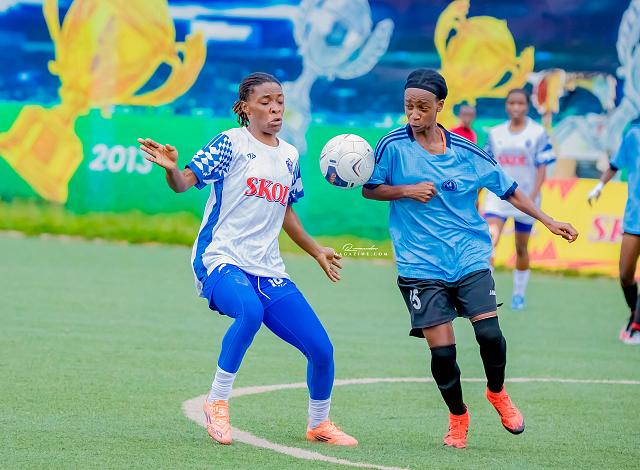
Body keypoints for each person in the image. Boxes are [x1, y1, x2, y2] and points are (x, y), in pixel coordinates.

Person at [138, 72, 357, 446]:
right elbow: (184, 183)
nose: (275, 108)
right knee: (250, 312)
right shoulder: (230, 143)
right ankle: (217, 401)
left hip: (267, 268)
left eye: (279, 101)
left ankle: (319, 424)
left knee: (322, 350)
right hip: (220, 258)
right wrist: (172, 169)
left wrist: (316, 250)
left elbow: (287, 213)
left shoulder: (290, 156)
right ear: (245, 107)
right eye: (265, 102)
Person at [362, 69, 578, 449]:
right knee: (444, 353)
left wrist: (548, 220)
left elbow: (510, 190)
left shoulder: (467, 153)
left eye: (422, 107)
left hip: (469, 256)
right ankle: (458, 416)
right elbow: (371, 189)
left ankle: (497, 392)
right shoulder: (392, 146)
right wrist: (407, 190)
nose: (414, 114)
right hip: (419, 264)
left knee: (489, 335)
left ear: (440, 107)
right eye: (409, 106)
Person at [483, 89, 556, 310]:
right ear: (506, 105)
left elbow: (542, 167)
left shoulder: (538, 133)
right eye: (512, 103)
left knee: (521, 248)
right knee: (489, 242)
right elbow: (487, 165)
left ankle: (518, 294)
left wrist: (532, 196)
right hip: (497, 199)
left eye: (520, 103)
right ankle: (486, 294)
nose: (516, 107)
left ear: (527, 106)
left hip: (525, 200)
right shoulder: (495, 133)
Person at [588, 122, 640, 344]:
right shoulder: (634, 135)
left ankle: (637, 327)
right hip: (635, 216)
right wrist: (599, 186)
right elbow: (615, 164)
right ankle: (634, 312)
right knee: (626, 274)